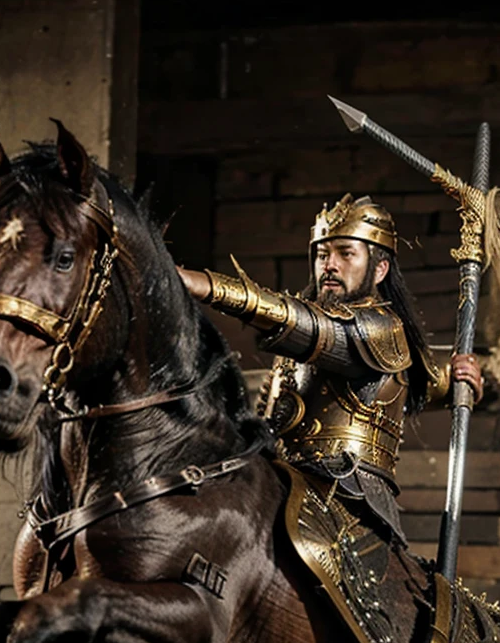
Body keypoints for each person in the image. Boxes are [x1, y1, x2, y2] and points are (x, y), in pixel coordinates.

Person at [178, 193, 482, 544]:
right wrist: (447, 380)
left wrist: (200, 284)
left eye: (346, 253)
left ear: (380, 268)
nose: (330, 265)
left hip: (348, 506)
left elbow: (313, 326)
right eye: (323, 254)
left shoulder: (382, 328)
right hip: (283, 488)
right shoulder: (301, 347)